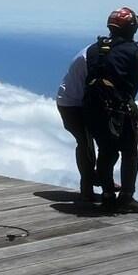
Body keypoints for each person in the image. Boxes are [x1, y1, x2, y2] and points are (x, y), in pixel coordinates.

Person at [82, 7, 138, 213]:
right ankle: (126, 197)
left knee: (106, 151)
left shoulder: (94, 49)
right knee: (130, 151)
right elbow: (133, 85)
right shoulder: (133, 51)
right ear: (131, 28)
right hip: (117, 109)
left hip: (92, 108)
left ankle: (107, 194)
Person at [56, 42, 97, 202]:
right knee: (86, 142)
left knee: (87, 142)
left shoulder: (95, 49)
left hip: (69, 102)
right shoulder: (96, 55)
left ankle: (92, 180)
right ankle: (88, 186)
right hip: (74, 105)